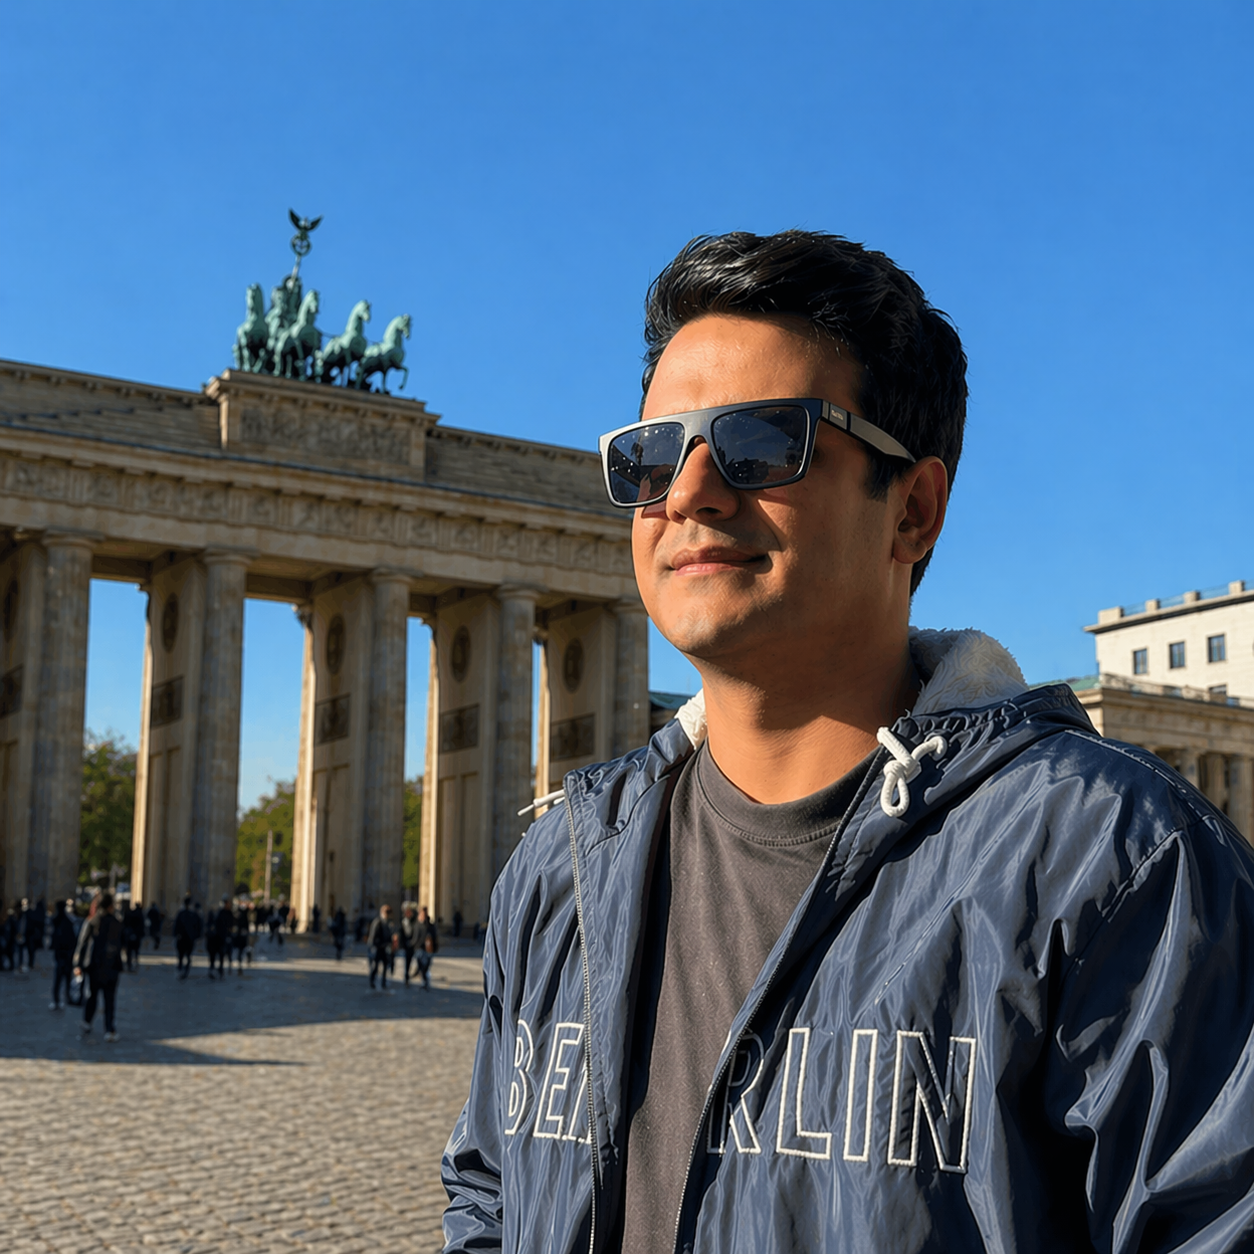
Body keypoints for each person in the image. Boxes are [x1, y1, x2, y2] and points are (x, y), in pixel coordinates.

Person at [441, 231, 1254, 1253]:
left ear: (913, 510)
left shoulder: (1118, 863)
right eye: (649, 456)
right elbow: (487, 1195)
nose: (689, 492)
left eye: (761, 443)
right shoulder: (561, 863)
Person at [73, 891, 123, 1042]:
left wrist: (78, 964)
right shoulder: (116, 922)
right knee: (109, 1000)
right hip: (112, 966)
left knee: (92, 995)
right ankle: (109, 1029)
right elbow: (122, 943)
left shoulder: (92, 921)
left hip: (94, 965)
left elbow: (82, 944)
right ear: (110, 906)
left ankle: (87, 1021)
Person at [48, 899, 76, 1009]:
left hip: (60, 954)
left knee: (58, 979)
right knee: (66, 978)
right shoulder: (67, 922)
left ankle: (57, 999)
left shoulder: (56, 921)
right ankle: (67, 997)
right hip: (67, 954)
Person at [365, 904, 394, 991]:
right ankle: (372, 980)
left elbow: (389, 935)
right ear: (382, 912)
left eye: (388, 913)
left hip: (384, 948)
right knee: (375, 966)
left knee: (385, 965)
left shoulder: (387, 923)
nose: (387, 915)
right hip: (377, 948)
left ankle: (383, 981)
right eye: (386, 912)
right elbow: (373, 936)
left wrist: (389, 943)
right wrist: (375, 946)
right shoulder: (378, 922)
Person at [172, 894, 199, 980]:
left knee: (182, 956)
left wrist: (176, 935)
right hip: (188, 939)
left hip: (183, 938)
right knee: (187, 956)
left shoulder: (182, 914)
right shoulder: (192, 915)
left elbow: (176, 926)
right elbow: (197, 927)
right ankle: (184, 970)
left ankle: (182, 969)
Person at [412, 905, 437, 992]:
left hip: (428, 949)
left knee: (426, 966)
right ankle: (424, 982)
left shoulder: (430, 925)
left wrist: (435, 946)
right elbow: (415, 936)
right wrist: (413, 945)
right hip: (419, 948)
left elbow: (434, 936)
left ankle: (425, 982)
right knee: (421, 965)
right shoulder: (418, 924)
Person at [121, 900, 144, 971]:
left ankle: (129, 964)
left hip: (129, 934)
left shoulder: (128, 914)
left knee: (129, 951)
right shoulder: (139, 914)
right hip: (136, 934)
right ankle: (136, 962)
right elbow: (141, 926)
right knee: (136, 950)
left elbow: (124, 925)